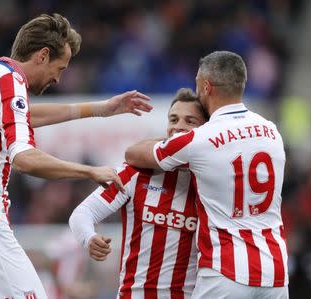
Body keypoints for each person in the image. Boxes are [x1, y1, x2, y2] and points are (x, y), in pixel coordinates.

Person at [0, 13, 151, 299]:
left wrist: (100, 108)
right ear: (43, 55)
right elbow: (25, 159)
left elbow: (24, 115)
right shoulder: (9, 83)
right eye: (60, 67)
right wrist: (90, 171)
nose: (58, 79)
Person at [126, 51, 288, 299]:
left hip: (226, 271)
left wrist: (174, 138)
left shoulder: (199, 139)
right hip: (275, 272)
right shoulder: (272, 131)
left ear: (206, 86)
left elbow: (134, 155)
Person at [69, 88, 208, 299]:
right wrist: (89, 238)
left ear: (205, 129)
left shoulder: (212, 183)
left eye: (190, 121)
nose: (178, 126)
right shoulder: (136, 172)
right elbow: (82, 214)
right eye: (173, 119)